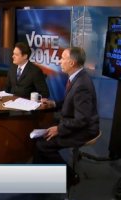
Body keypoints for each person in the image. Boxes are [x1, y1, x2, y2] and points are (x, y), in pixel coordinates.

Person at [35, 47, 100, 187]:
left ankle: (71, 177)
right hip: (73, 122)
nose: (59, 61)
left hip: (85, 129)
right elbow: (70, 102)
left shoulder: (82, 84)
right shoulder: (76, 77)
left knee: (43, 144)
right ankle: (47, 175)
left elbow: (82, 119)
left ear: (72, 63)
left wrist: (59, 129)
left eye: (63, 58)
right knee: (40, 135)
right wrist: (54, 103)